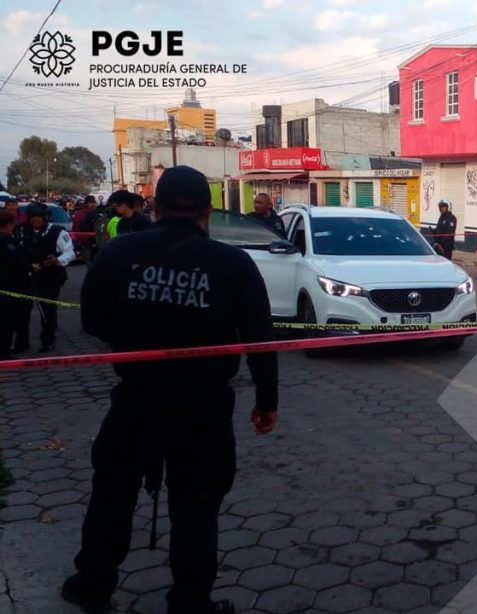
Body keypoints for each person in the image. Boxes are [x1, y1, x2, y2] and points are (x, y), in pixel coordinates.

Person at [62, 166, 280, 614]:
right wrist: (266, 402)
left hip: (136, 399)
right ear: (207, 212)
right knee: (197, 508)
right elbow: (260, 339)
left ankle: (92, 585)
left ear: (156, 207)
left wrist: (135, 337)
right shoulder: (232, 264)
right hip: (204, 408)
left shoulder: (119, 253)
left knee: (112, 496)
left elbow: (92, 321)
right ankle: (190, 601)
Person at [12, 202, 74, 352]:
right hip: (25, 277)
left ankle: (48, 341)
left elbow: (70, 252)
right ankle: (21, 343)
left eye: (39, 216)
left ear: (45, 217)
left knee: (47, 310)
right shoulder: (20, 230)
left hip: (50, 276)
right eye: (32, 216)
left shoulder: (57, 232)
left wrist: (57, 260)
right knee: (21, 311)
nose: (35, 219)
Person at [0, 209, 31, 359]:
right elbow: (14, 263)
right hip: (8, 287)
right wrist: (30, 266)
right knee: (6, 322)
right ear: (8, 224)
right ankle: (4, 353)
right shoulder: (6, 242)